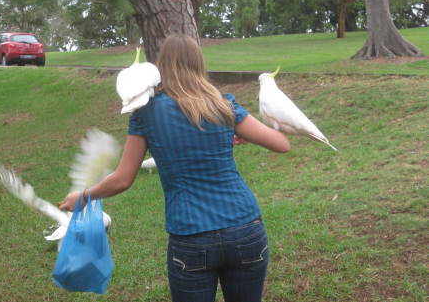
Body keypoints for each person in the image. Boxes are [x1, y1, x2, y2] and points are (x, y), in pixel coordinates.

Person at [59, 34, 291, 302]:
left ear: (163, 66)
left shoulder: (146, 114)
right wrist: (241, 135)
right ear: (199, 64)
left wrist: (84, 196)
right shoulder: (223, 105)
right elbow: (281, 144)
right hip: (245, 228)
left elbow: (123, 179)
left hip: (192, 236)